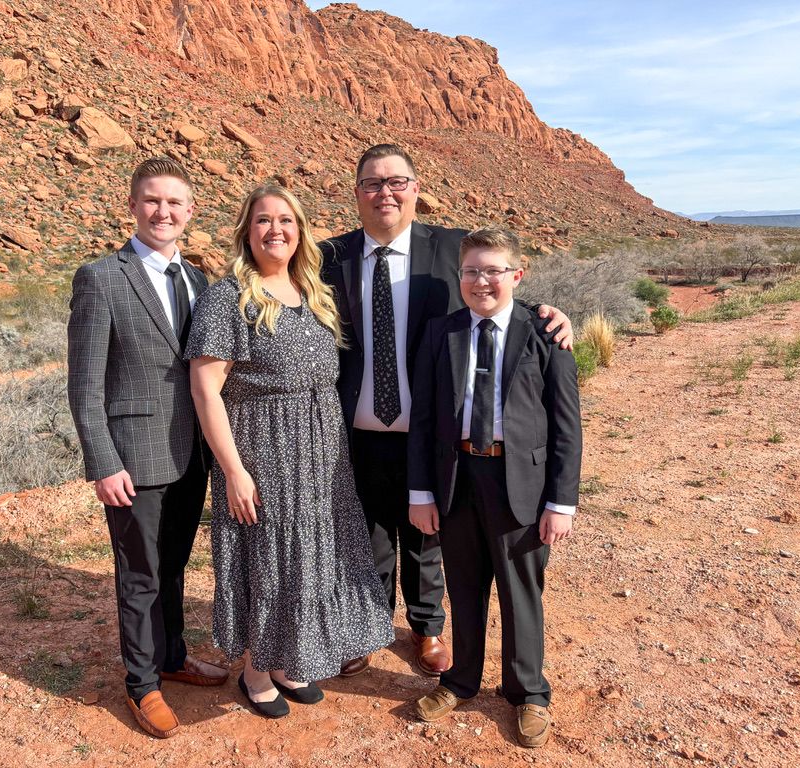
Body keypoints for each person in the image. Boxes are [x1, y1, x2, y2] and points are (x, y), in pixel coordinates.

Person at [319, 144, 573, 678]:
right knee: (364, 536)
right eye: (372, 182)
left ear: (415, 189)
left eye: (397, 181)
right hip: (356, 428)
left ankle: (427, 627)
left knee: (426, 535)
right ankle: (365, 626)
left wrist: (548, 314)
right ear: (357, 192)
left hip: (432, 427)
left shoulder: (451, 246)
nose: (384, 192)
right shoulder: (327, 258)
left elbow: (493, 289)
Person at [187, 184, 394, 719]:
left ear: (300, 230)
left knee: (309, 555)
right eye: (263, 221)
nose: (275, 229)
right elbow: (206, 390)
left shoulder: (315, 292)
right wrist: (234, 472)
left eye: (286, 220)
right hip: (263, 448)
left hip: (321, 450)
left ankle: (286, 659)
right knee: (268, 558)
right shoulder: (226, 298)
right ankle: (257, 669)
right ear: (246, 231)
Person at [67, 157, 228, 740]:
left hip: (191, 454)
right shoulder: (101, 277)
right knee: (140, 574)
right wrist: (103, 462)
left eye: (175, 203)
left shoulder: (198, 280)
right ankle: (142, 684)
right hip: (133, 457)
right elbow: (84, 384)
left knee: (176, 565)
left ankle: (172, 655)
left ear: (190, 212)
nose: (164, 212)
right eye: (152, 201)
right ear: (133, 205)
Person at [407, 227, 582, 748]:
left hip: (522, 484)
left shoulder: (545, 332)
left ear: (516, 275)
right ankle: (461, 679)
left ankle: (528, 691)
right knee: (463, 584)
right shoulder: (443, 333)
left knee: (520, 590)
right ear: (458, 275)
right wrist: (420, 493)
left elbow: (567, 427)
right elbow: (424, 421)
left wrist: (561, 502)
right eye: (470, 271)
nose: (481, 281)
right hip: (458, 477)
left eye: (493, 270)